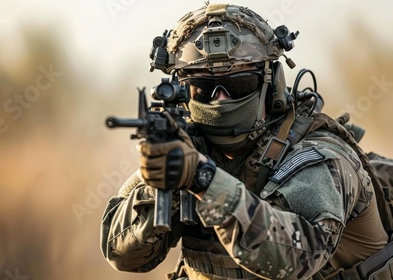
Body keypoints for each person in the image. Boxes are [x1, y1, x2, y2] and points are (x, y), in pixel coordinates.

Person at [100, 3, 393, 279]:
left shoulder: (319, 157)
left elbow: (294, 258)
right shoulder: (189, 150)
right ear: (182, 93)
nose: (220, 99)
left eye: (238, 83)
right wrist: (163, 187)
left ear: (272, 84)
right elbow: (122, 254)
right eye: (202, 87)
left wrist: (202, 180)